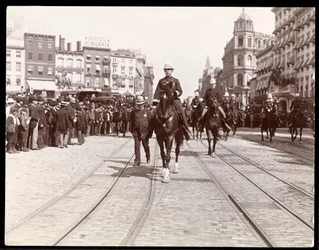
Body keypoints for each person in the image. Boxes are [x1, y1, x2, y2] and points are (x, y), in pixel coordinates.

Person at [152, 62, 192, 140]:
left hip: (174, 100)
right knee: (153, 112)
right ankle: (151, 129)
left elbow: (180, 91)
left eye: (169, 70)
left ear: (172, 71)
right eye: (166, 70)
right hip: (163, 101)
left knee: (181, 110)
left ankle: (186, 128)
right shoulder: (161, 81)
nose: (167, 71)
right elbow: (157, 92)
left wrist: (175, 93)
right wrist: (154, 103)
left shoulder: (176, 80)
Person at [130, 96, 153, 166]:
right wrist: (132, 131)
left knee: (145, 145)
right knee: (137, 146)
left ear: (143, 104)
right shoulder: (133, 112)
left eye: (140, 104)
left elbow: (151, 123)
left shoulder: (148, 112)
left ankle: (148, 156)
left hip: (145, 132)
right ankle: (137, 160)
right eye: (138, 104)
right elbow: (132, 121)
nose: (139, 106)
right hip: (136, 131)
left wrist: (149, 133)